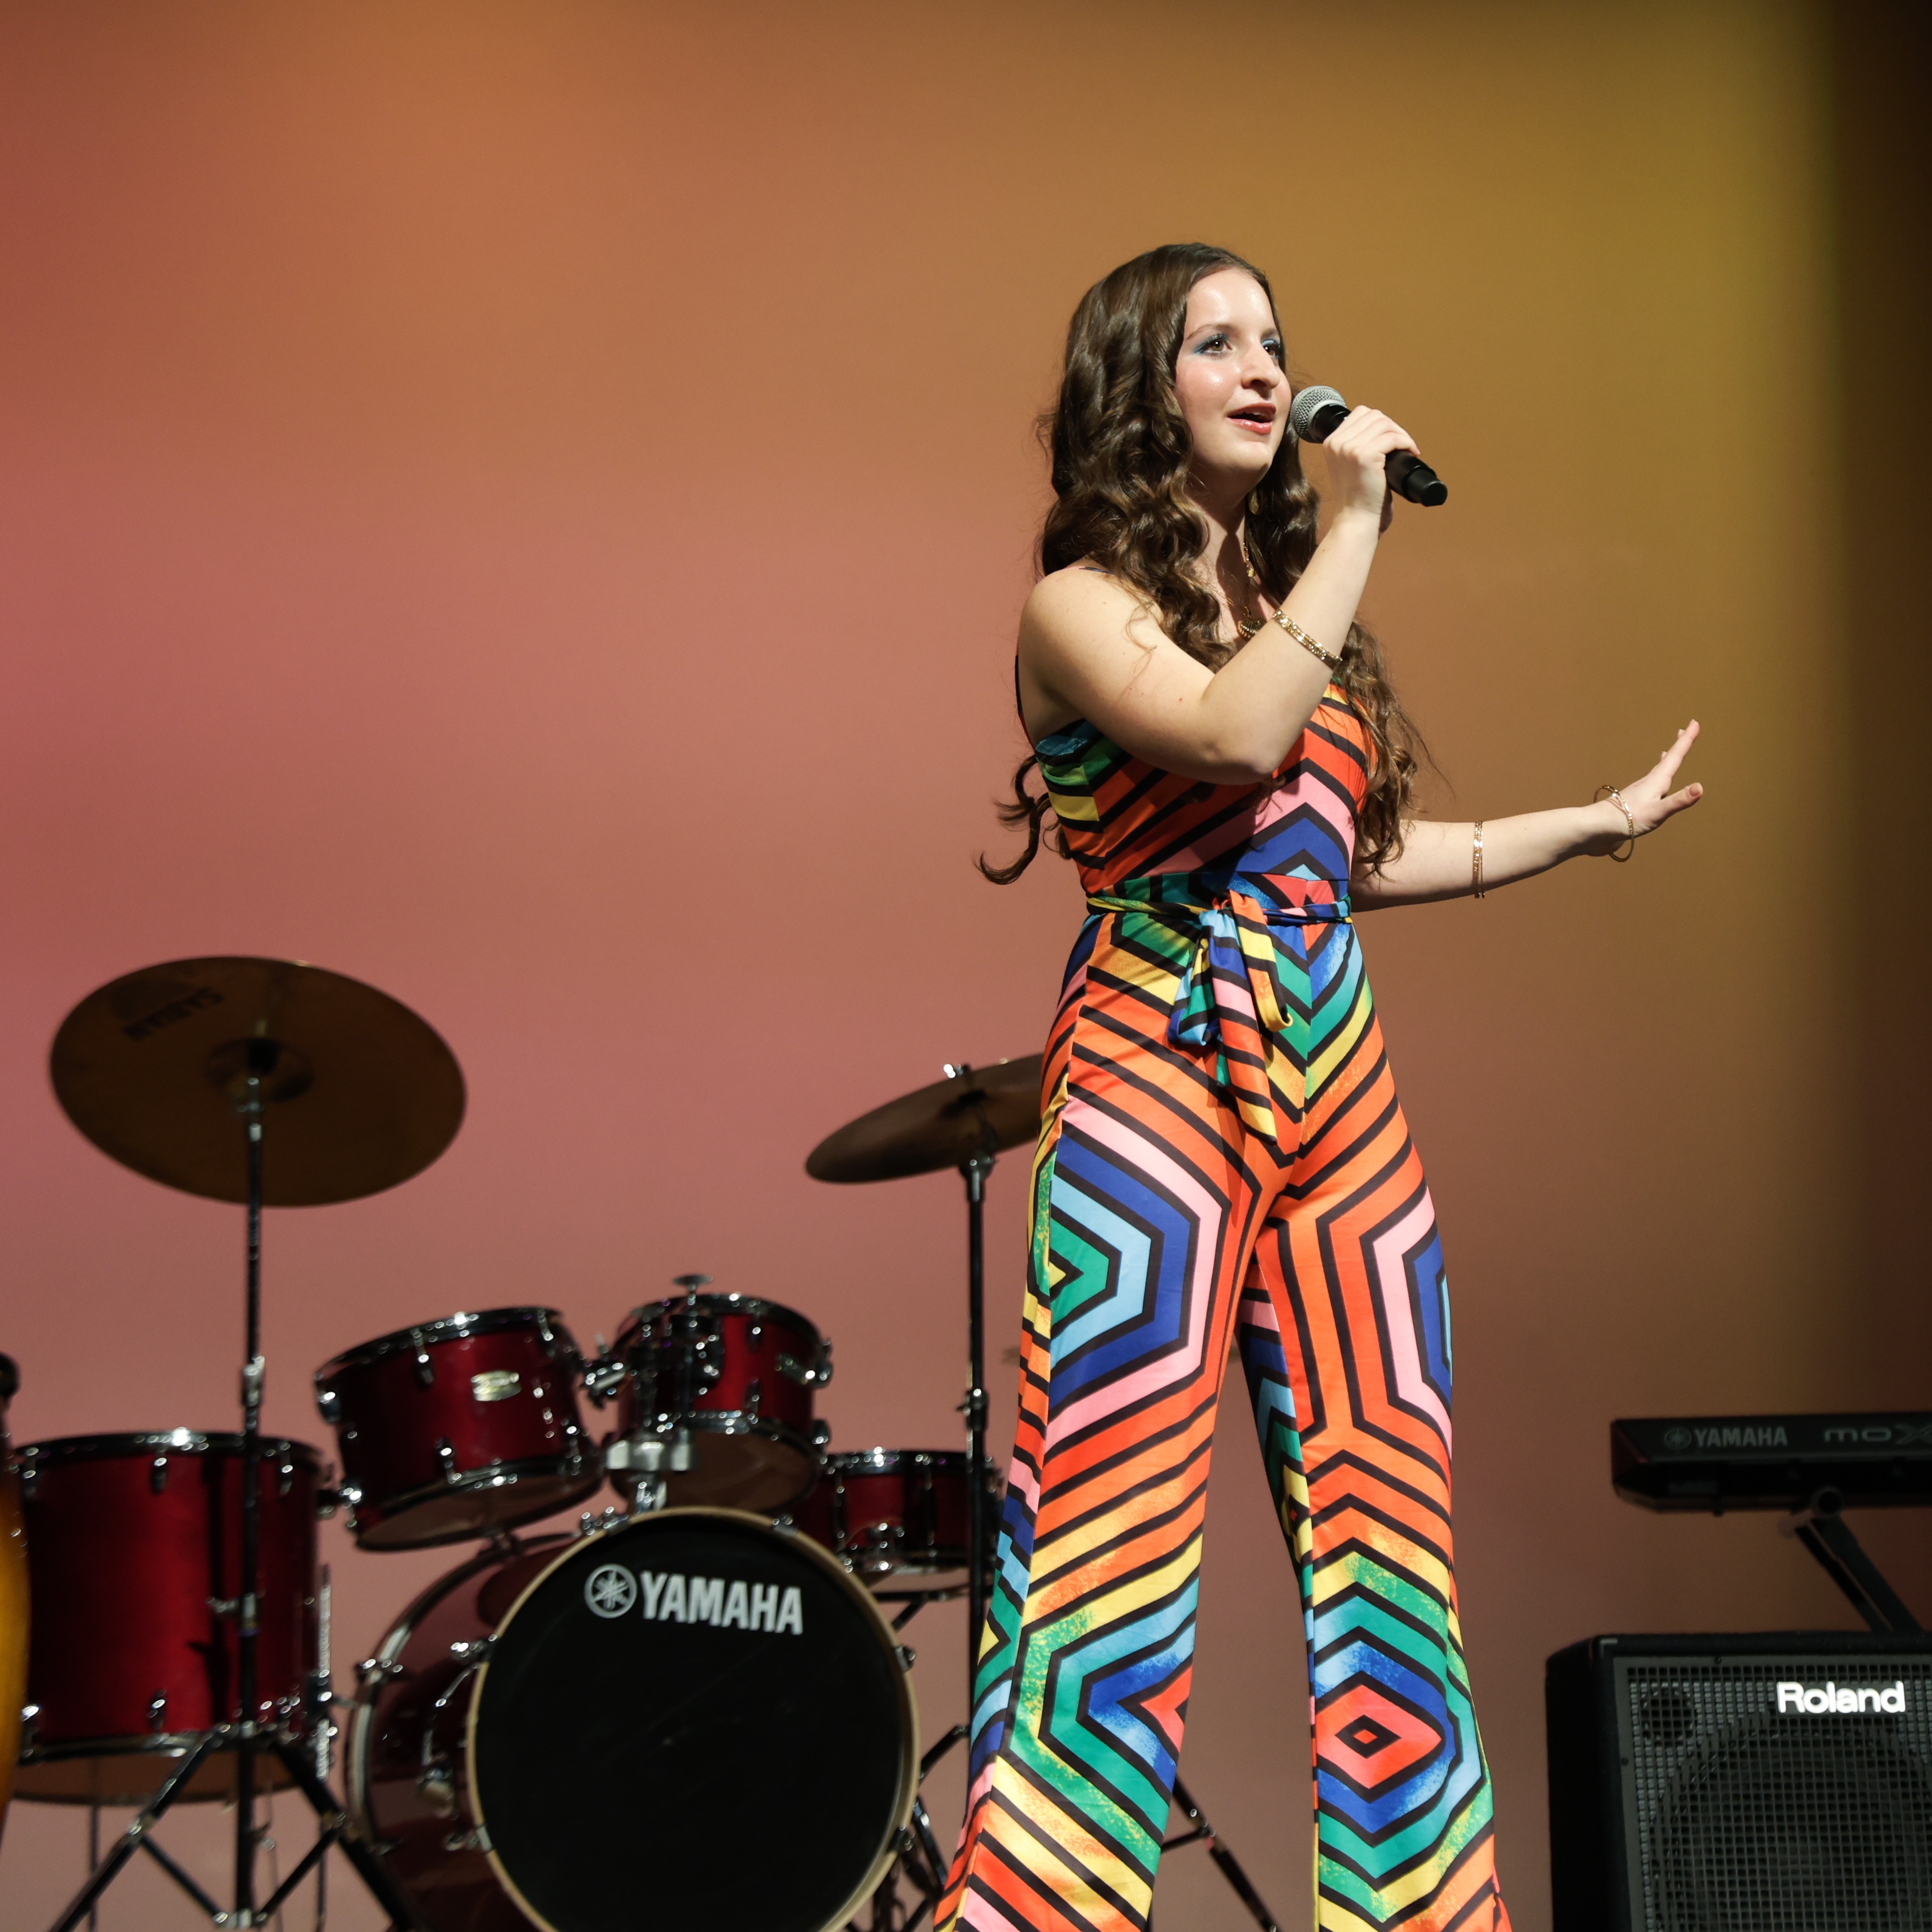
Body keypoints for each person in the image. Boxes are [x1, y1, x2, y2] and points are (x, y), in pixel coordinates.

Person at [938, 243, 1702, 1932]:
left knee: (1393, 1562)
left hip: (1339, 1094)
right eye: (1218, 342)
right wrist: (1354, 527)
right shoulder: (1079, 601)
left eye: (1276, 340)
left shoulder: (1302, 610)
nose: (1266, 368)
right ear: (1143, 386)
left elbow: (1330, 855)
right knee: (1105, 1555)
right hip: (1159, 1081)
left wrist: (1572, 830)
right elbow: (1225, 738)